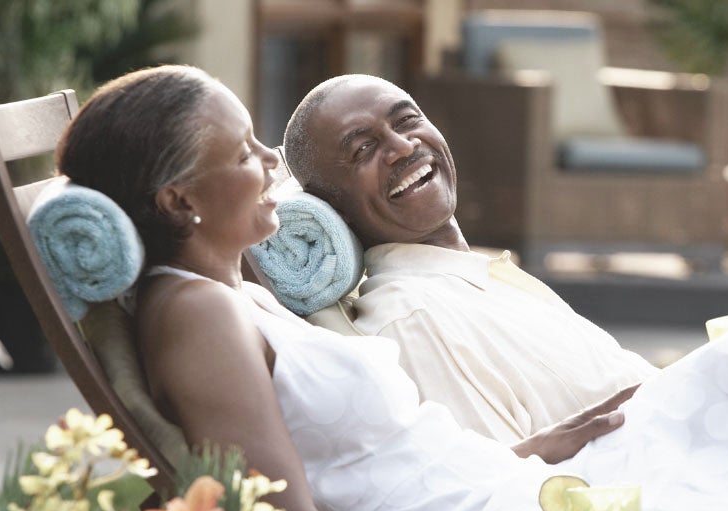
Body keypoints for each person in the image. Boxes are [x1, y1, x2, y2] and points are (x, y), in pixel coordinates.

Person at [56, 65, 728, 511]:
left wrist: (529, 449)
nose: (271, 164)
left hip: (502, 487)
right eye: (245, 150)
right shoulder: (198, 316)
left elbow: (372, 464)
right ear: (180, 200)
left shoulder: (237, 294)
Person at [282, 74, 665, 442]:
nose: (402, 146)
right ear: (332, 208)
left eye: (407, 120)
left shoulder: (472, 280)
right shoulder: (413, 318)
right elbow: (501, 487)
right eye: (362, 149)